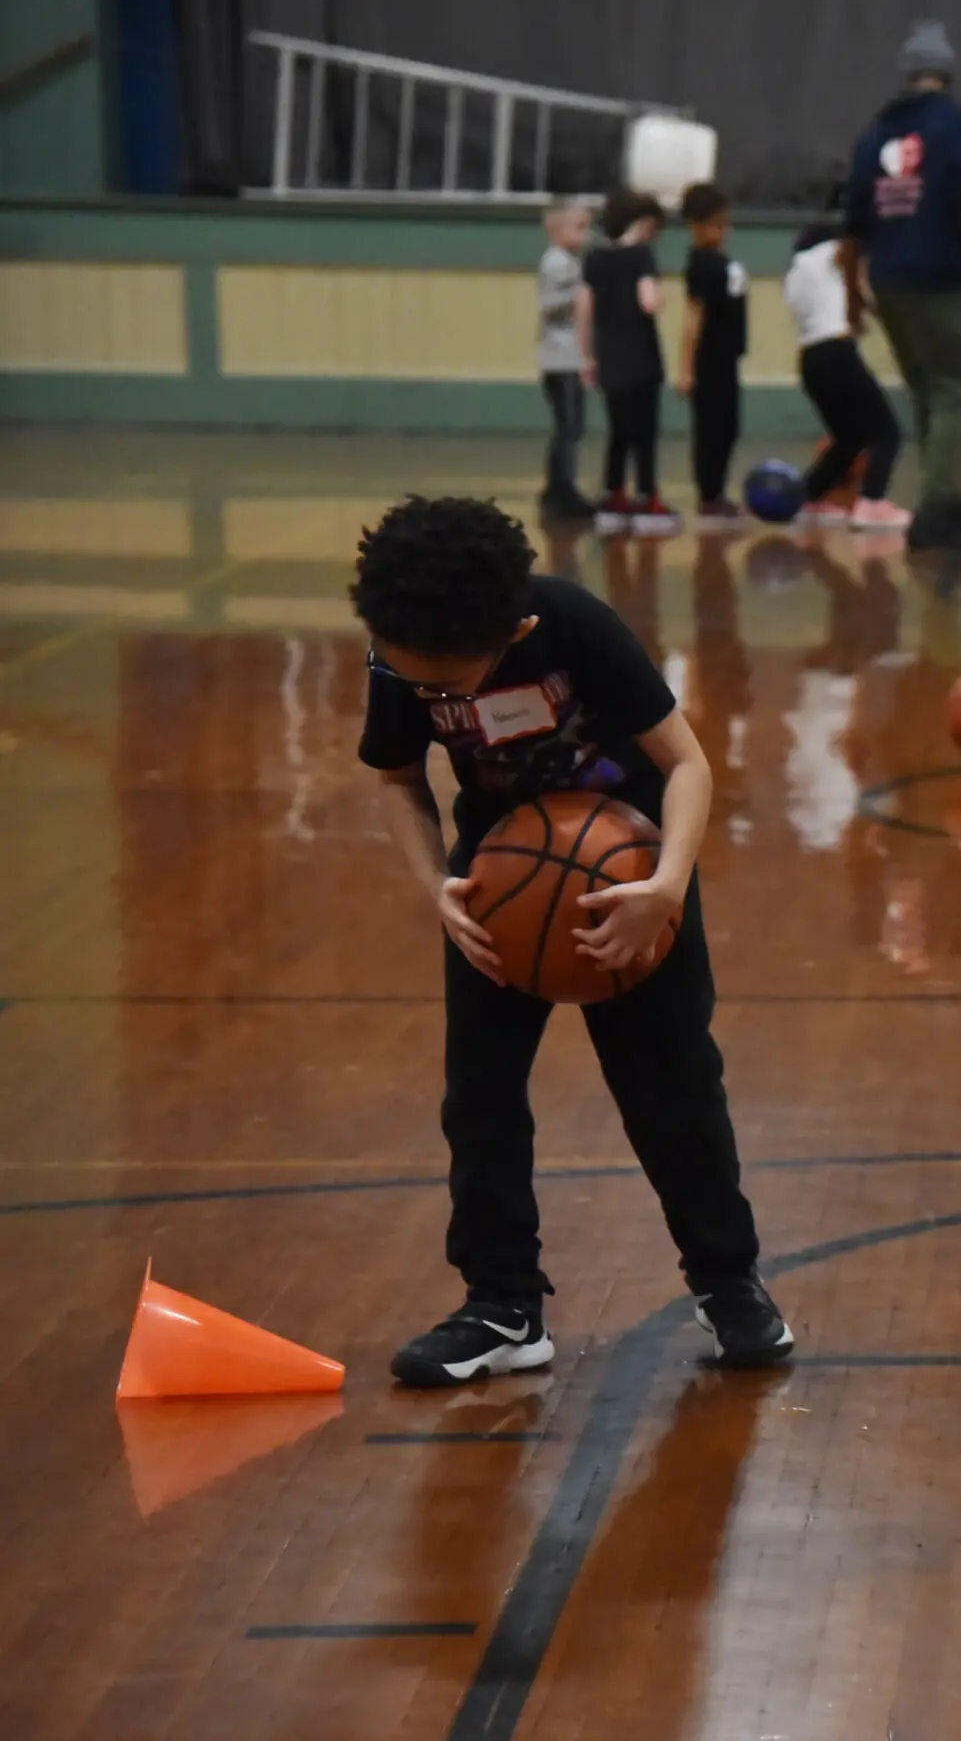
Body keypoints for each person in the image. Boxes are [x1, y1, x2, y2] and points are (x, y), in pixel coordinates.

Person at [351, 496, 794, 1384]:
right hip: (498, 885)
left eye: (451, 681)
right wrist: (437, 886)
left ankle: (729, 1282)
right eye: (418, 682)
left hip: (630, 873)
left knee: (671, 1088)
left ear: (513, 628)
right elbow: (399, 778)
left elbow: (690, 765)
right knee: (478, 1097)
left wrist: (663, 890)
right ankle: (503, 1304)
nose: (433, 694)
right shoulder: (402, 652)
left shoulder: (575, 628)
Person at [844, 19, 961, 550]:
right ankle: (937, 508)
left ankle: (941, 495)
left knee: (926, 388)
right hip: (934, 271)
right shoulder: (958, 127)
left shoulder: (875, 133)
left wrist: (851, 294)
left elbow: (854, 222)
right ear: (947, 73)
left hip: (885, 274)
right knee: (958, 384)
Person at [784, 220, 907, 529]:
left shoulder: (795, 274)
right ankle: (872, 502)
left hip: (810, 360)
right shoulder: (826, 254)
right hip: (838, 354)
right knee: (887, 432)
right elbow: (850, 248)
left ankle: (810, 496)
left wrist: (864, 306)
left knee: (848, 438)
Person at [579, 191, 678, 536]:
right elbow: (649, 302)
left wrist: (588, 356)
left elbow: (584, 309)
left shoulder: (594, 258)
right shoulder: (641, 256)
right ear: (645, 224)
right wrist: (657, 295)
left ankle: (613, 496)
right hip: (642, 357)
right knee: (645, 432)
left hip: (609, 356)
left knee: (618, 432)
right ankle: (648, 497)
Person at [677, 183, 748, 525]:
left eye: (726, 223)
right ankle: (709, 495)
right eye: (716, 224)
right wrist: (686, 367)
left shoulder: (720, 259)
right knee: (712, 429)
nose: (724, 230)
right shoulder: (701, 264)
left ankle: (718, 491)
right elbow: (694, 317)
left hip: (728, 357)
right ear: (696, 224)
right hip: (710, 359)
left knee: (729, 426)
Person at [535, 201, 596, 522]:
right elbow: (549, 304)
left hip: (569, 357)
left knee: (571, 427)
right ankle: (562, 490)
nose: (588, 234)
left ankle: (559, 486)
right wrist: (580, 294)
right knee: (568, 427)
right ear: (556, 230)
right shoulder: (557, 263)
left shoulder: (570, 262)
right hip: (562, 359)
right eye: (580, 227)